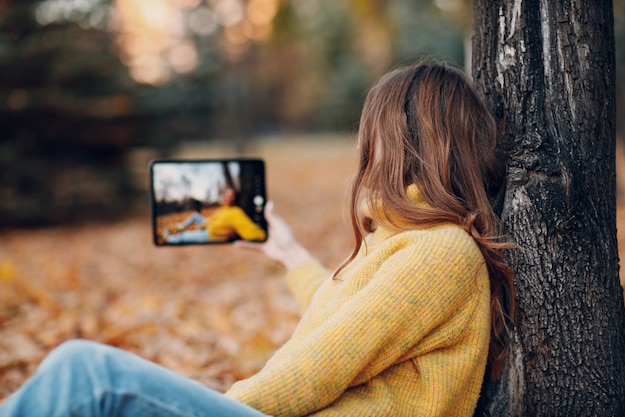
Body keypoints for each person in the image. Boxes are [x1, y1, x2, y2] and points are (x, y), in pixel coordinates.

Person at [0, 61, 514, 417]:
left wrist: (208, 406)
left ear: (406, 139)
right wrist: (289, 254)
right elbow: (352, 326)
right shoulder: (410, 243)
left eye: (372, 130)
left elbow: (316, 369)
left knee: (88, 373)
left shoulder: (440, 252)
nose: (365, 146)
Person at [163, 187, 267, 244]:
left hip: (211, 235)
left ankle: (169, 239)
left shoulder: (236, 212)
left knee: (183, 237)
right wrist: (203, 225)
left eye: (231, 196)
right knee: (195, 215)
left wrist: (265, 236)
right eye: (226, 195)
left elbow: (249, 229)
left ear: (234, 198)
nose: (228, 198)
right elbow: (212, 219)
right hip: (208, 227)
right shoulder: (223, 209)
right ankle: (181, 227)